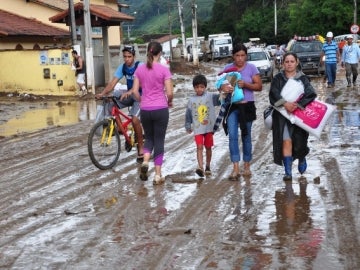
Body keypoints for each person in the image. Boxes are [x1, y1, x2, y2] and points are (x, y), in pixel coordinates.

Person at [129, 41, 173, 185]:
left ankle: (146, 161)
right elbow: (170, 92)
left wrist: (143, 101)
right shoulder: (164, 69)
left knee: (149, 139)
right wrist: (169, 101)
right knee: (159, 140)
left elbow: (135, 91)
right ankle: (158, 175)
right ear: (159, 54)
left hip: (146, 110)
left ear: (148, 51)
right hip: (161, 108)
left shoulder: (140, 69)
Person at [269, 52, 317, 181]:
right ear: (283, 63)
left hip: (300, 116)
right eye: (287, 61)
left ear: (297, 63)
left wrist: (297, 105)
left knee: (300, 141)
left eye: (292, 61)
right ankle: (288, 172)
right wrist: (285, 104)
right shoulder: (278, 79)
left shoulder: (303, 79)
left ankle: (301, 157)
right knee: (286, 140)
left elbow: (311, 94)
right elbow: (273, 95)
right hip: (282, 116)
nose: (289, 64)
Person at [218, 43, 263, 180]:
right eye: (237, 55)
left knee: (246, 135)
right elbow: (219, 85)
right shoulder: (227, 69)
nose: (240, 58)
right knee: (232, 135)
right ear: (233, 56)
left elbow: (259, 86)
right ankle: (236, 168)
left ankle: (247, 166)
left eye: (242, 55)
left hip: (247, 106)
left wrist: (246, 85)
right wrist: (224, 89)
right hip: (232, 107)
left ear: (246, 56)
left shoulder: (251, 68)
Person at [95, 45, 144, 163]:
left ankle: (141, 148)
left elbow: (141, 84)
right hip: (128, 94)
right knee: (110, 100)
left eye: (129, 56)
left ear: (134, 56)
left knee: (135, 120)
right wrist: (102, 94)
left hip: (140, 97)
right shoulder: (122, 67)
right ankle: (120, 129)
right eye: (125, 57)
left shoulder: (140, 66)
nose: (127, 59)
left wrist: (130, 91)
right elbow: (112, 84)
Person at [185, 74, 220, 177]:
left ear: (205, 87)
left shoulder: (210, 96)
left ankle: (208, 166)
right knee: (199, 147)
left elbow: (220, 100)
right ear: (194, 88)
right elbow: (188, 114)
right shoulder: (191, 100)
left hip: (209, 128)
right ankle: (200, 167)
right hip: (197, 128)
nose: (199, 89)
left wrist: (224, 92)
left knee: (208, 147)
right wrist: (188, 125)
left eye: (201, 87)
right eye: (196, 87)